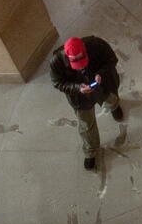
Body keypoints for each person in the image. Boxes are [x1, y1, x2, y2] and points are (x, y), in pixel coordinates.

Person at [49, 36, 124, 170]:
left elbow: (112, 59)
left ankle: (114, 107)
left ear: (85, 49)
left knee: (111, 99)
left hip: (102, 87)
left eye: (83, 60)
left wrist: (101, 74)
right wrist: (77, 88)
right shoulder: (56, 61)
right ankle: (91, 152)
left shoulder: (96, 44)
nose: (81, 66)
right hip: (80, 97)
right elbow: (58, 83)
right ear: (67, 57)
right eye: (76, 63)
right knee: (86, 125)